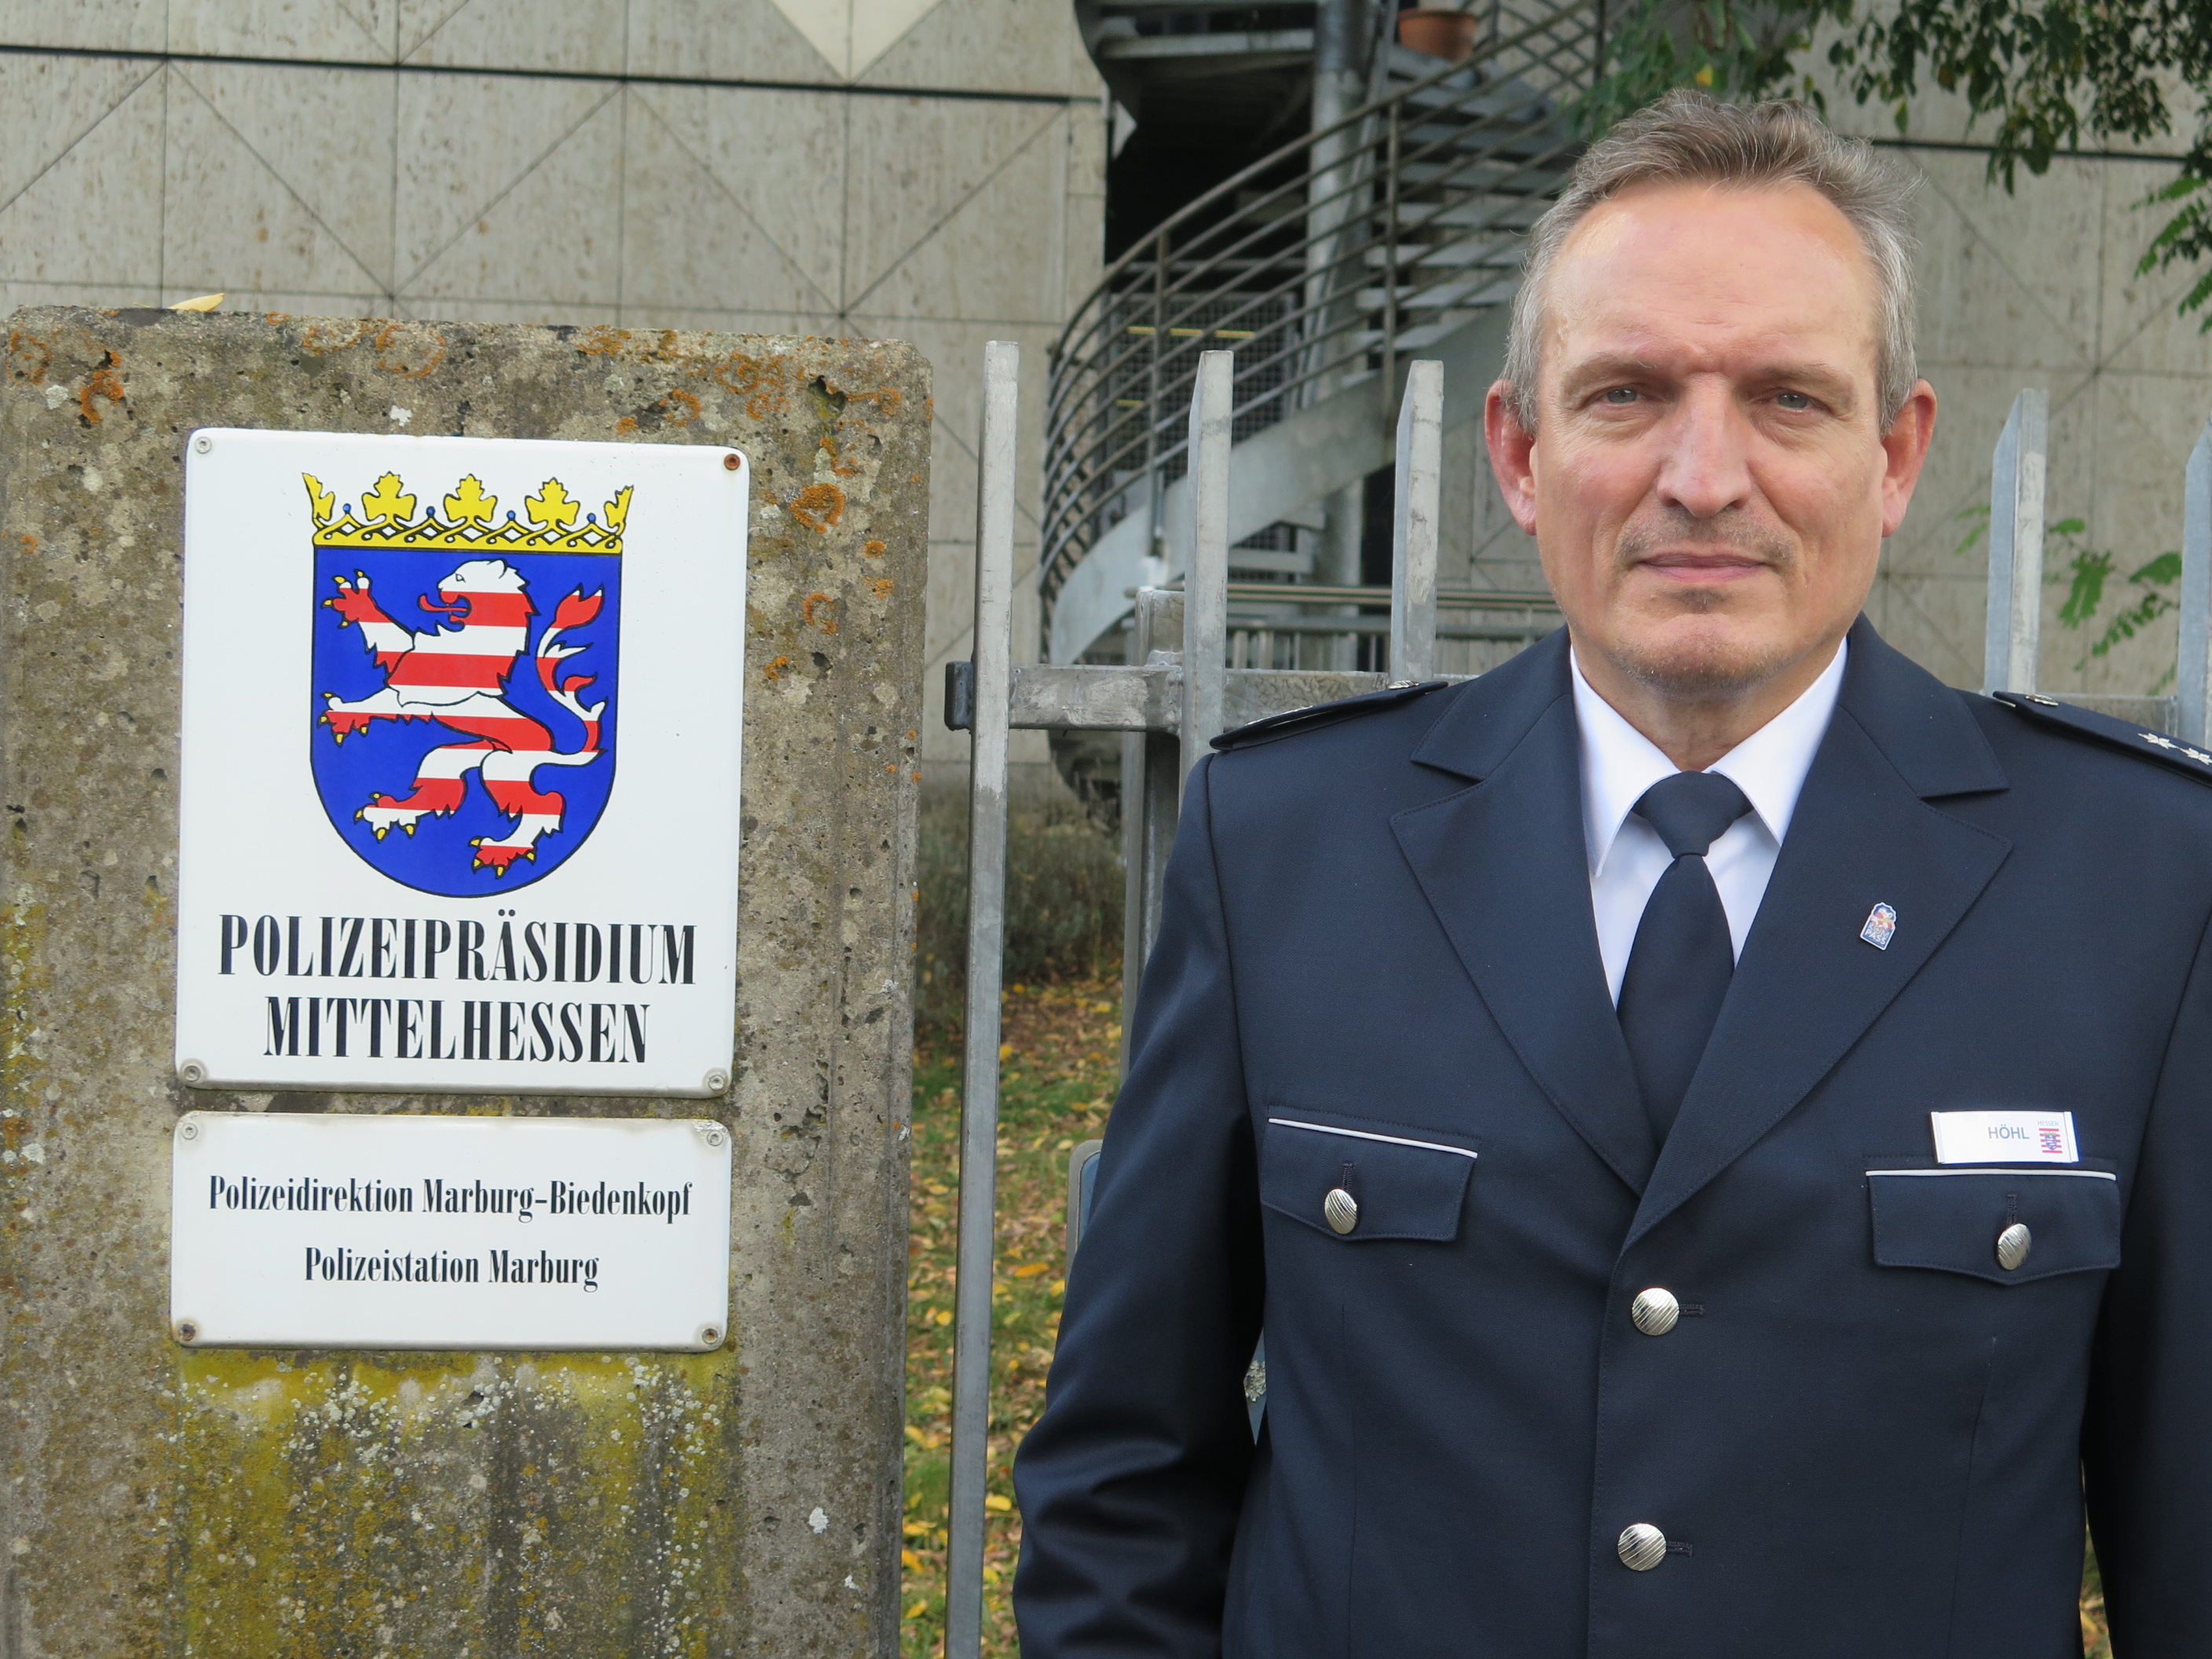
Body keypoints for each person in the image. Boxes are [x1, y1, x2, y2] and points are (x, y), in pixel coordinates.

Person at [1010, 90, 2212, 1657]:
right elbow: (1123, 1486)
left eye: (1787, 398)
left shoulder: (2133, 884)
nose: (1702, 476)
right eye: (1628, 393)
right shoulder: (1289, 847)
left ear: (1895, 455)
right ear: (1521, 452)